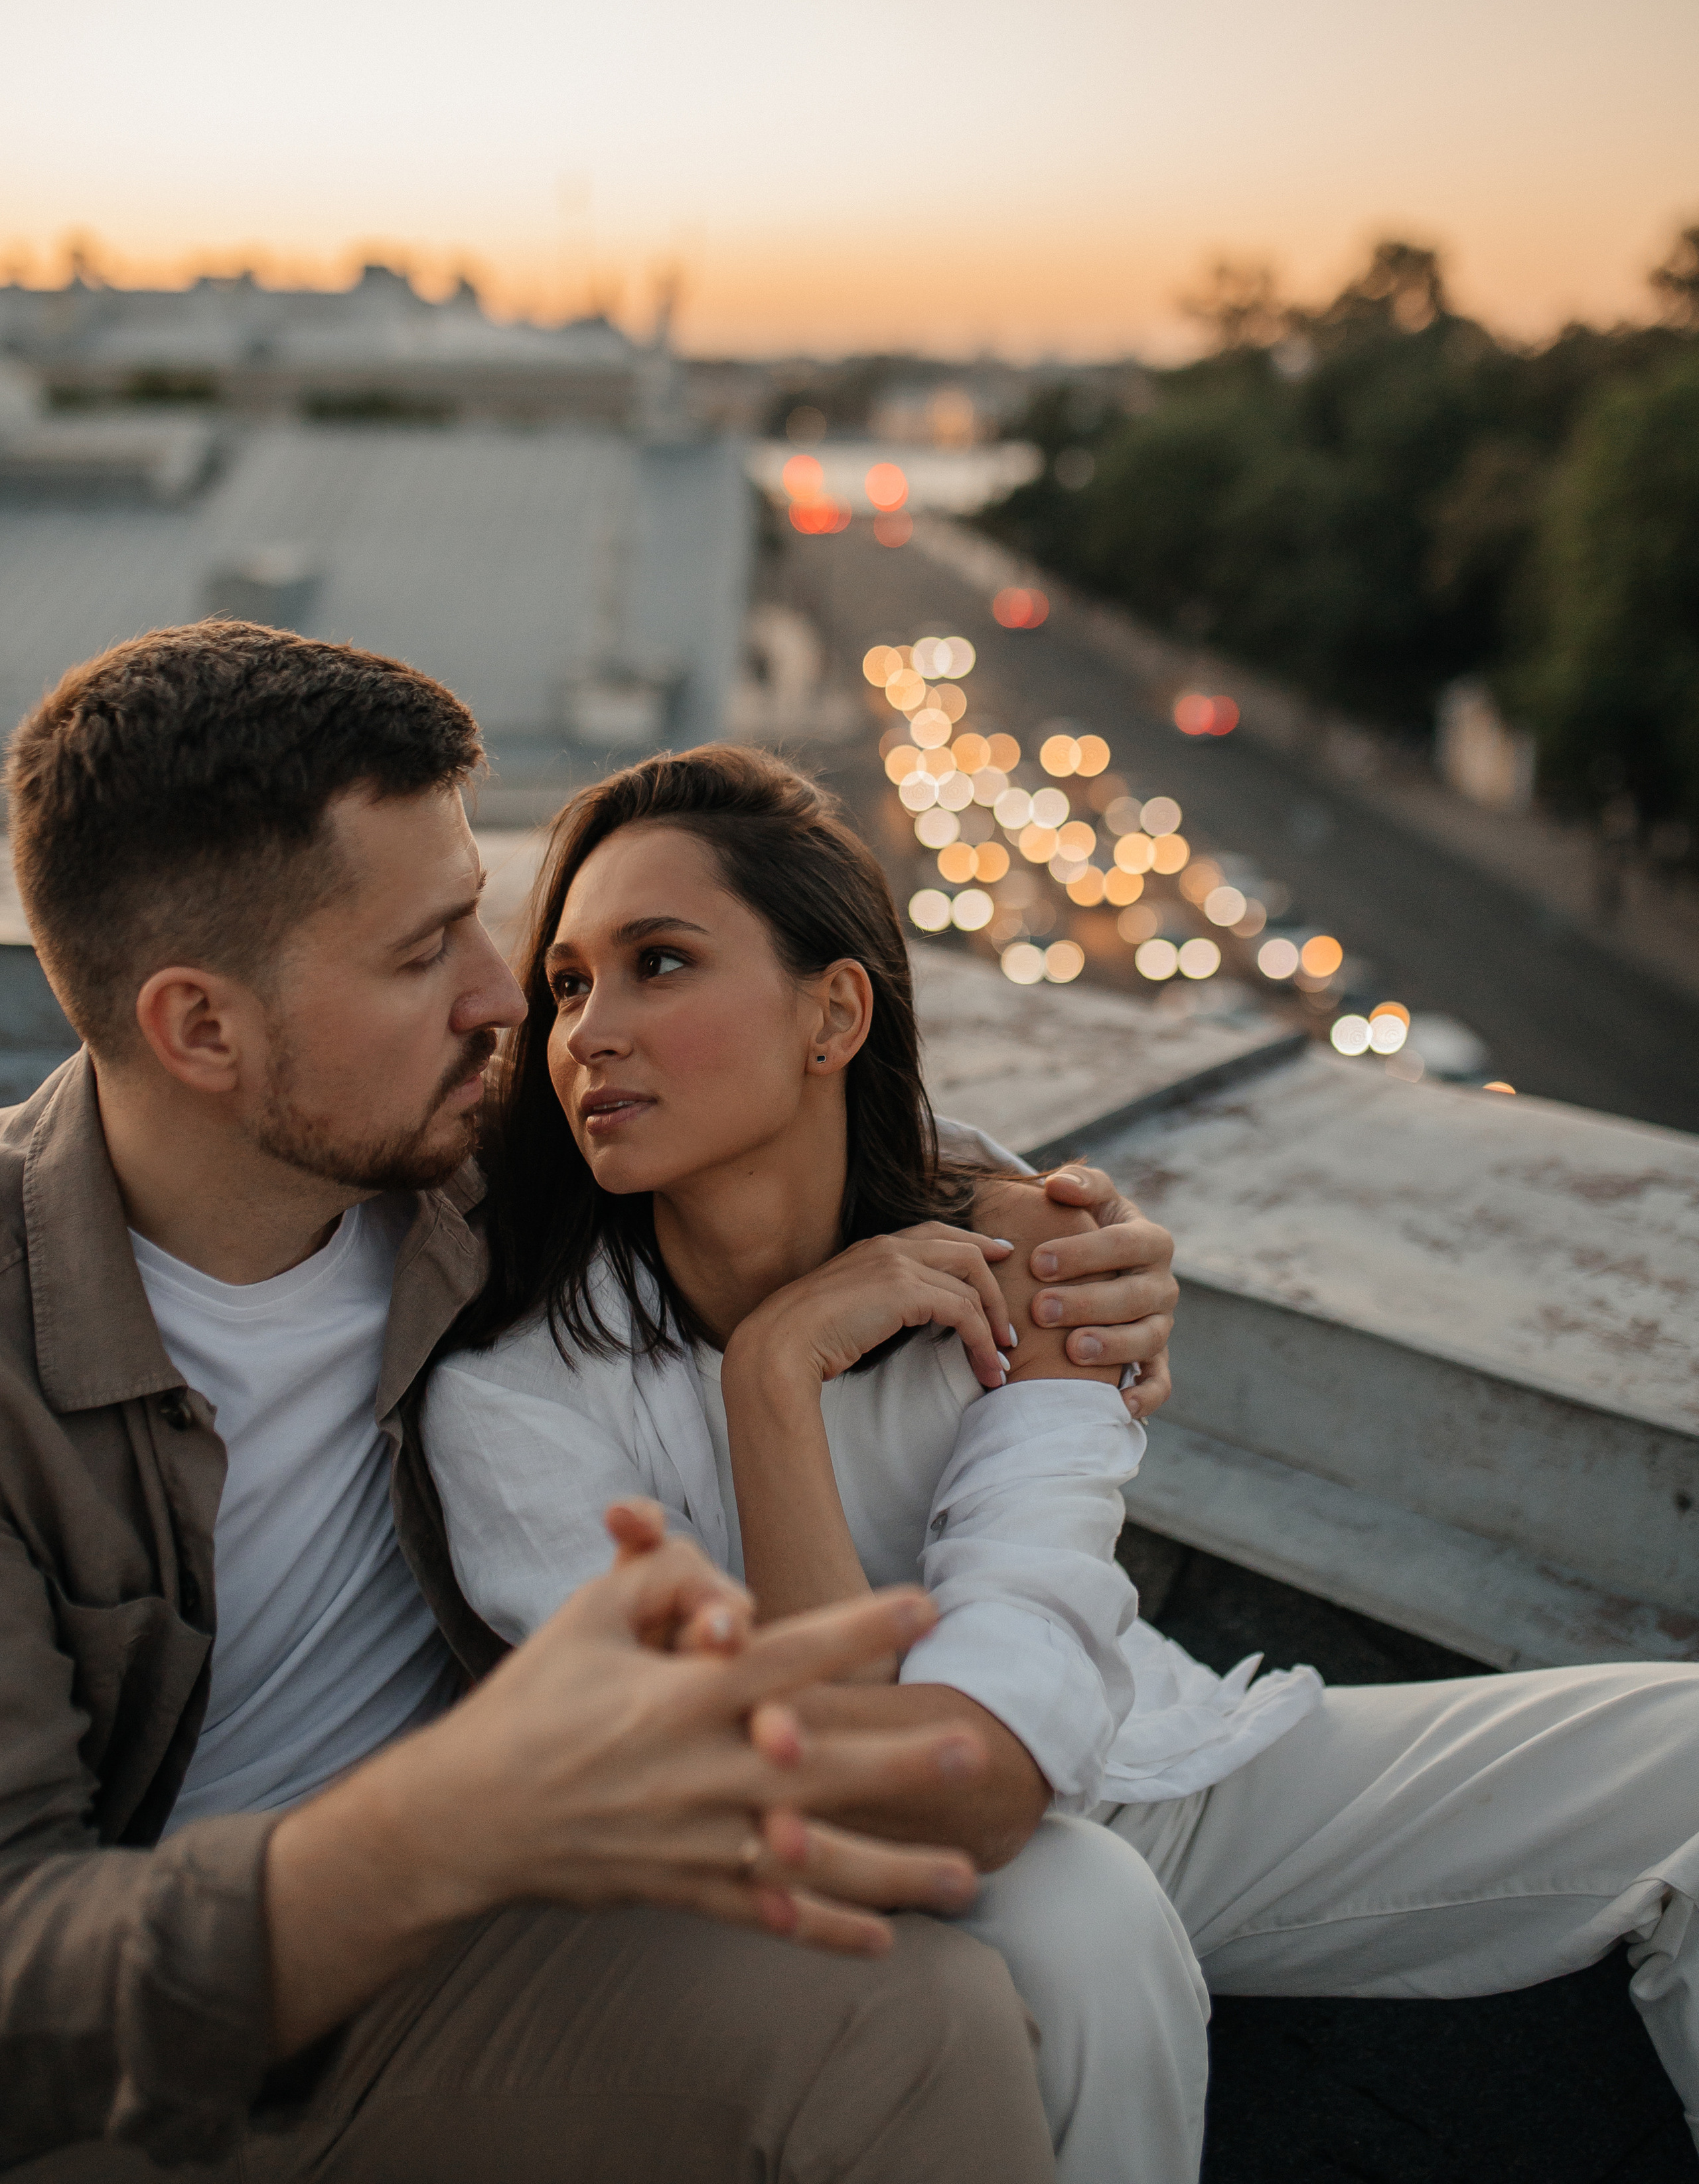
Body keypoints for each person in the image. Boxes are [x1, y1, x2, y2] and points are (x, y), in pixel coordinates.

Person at [423, 743, 1699, 2184]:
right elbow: (860, 1793)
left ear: (833, 1013)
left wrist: (987, 1215)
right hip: (838, 1879)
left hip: (1148, 1761)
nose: (589, 1031)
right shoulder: (515, 1411)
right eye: (568, 985)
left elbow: (1025, 1639)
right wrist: (770, 1376)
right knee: (1086, 1923)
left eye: (658, 963)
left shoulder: (1023, 1259)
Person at [0, 621, 1176, 2181]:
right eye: (425, 954)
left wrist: (1036, 1229)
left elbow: (765, 1114)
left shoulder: (454, 1160)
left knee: (931, 2017)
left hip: (484, 1950)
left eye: (479, 925)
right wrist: (435, 1821)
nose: (506, 1003)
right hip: (153, 2059)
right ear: (200, 1028)